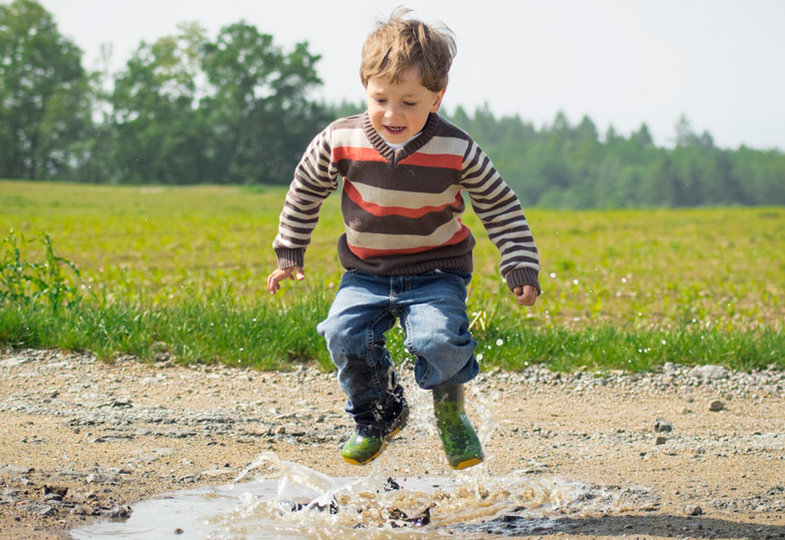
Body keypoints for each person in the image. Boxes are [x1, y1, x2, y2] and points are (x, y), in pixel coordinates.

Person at [267, 8, 540, 470]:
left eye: (409, 102)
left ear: (437, 97)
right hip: (365, 272)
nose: (392, 114)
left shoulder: (458, 150)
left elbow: (499, 206)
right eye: (381, 99)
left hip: (437, 272)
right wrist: (290, 250)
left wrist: (519, 264)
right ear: (365, 88)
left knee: (437, 341)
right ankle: (379, 415)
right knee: (343, 334)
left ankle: (451, 413)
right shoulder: (340, 139)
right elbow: (305, 189)